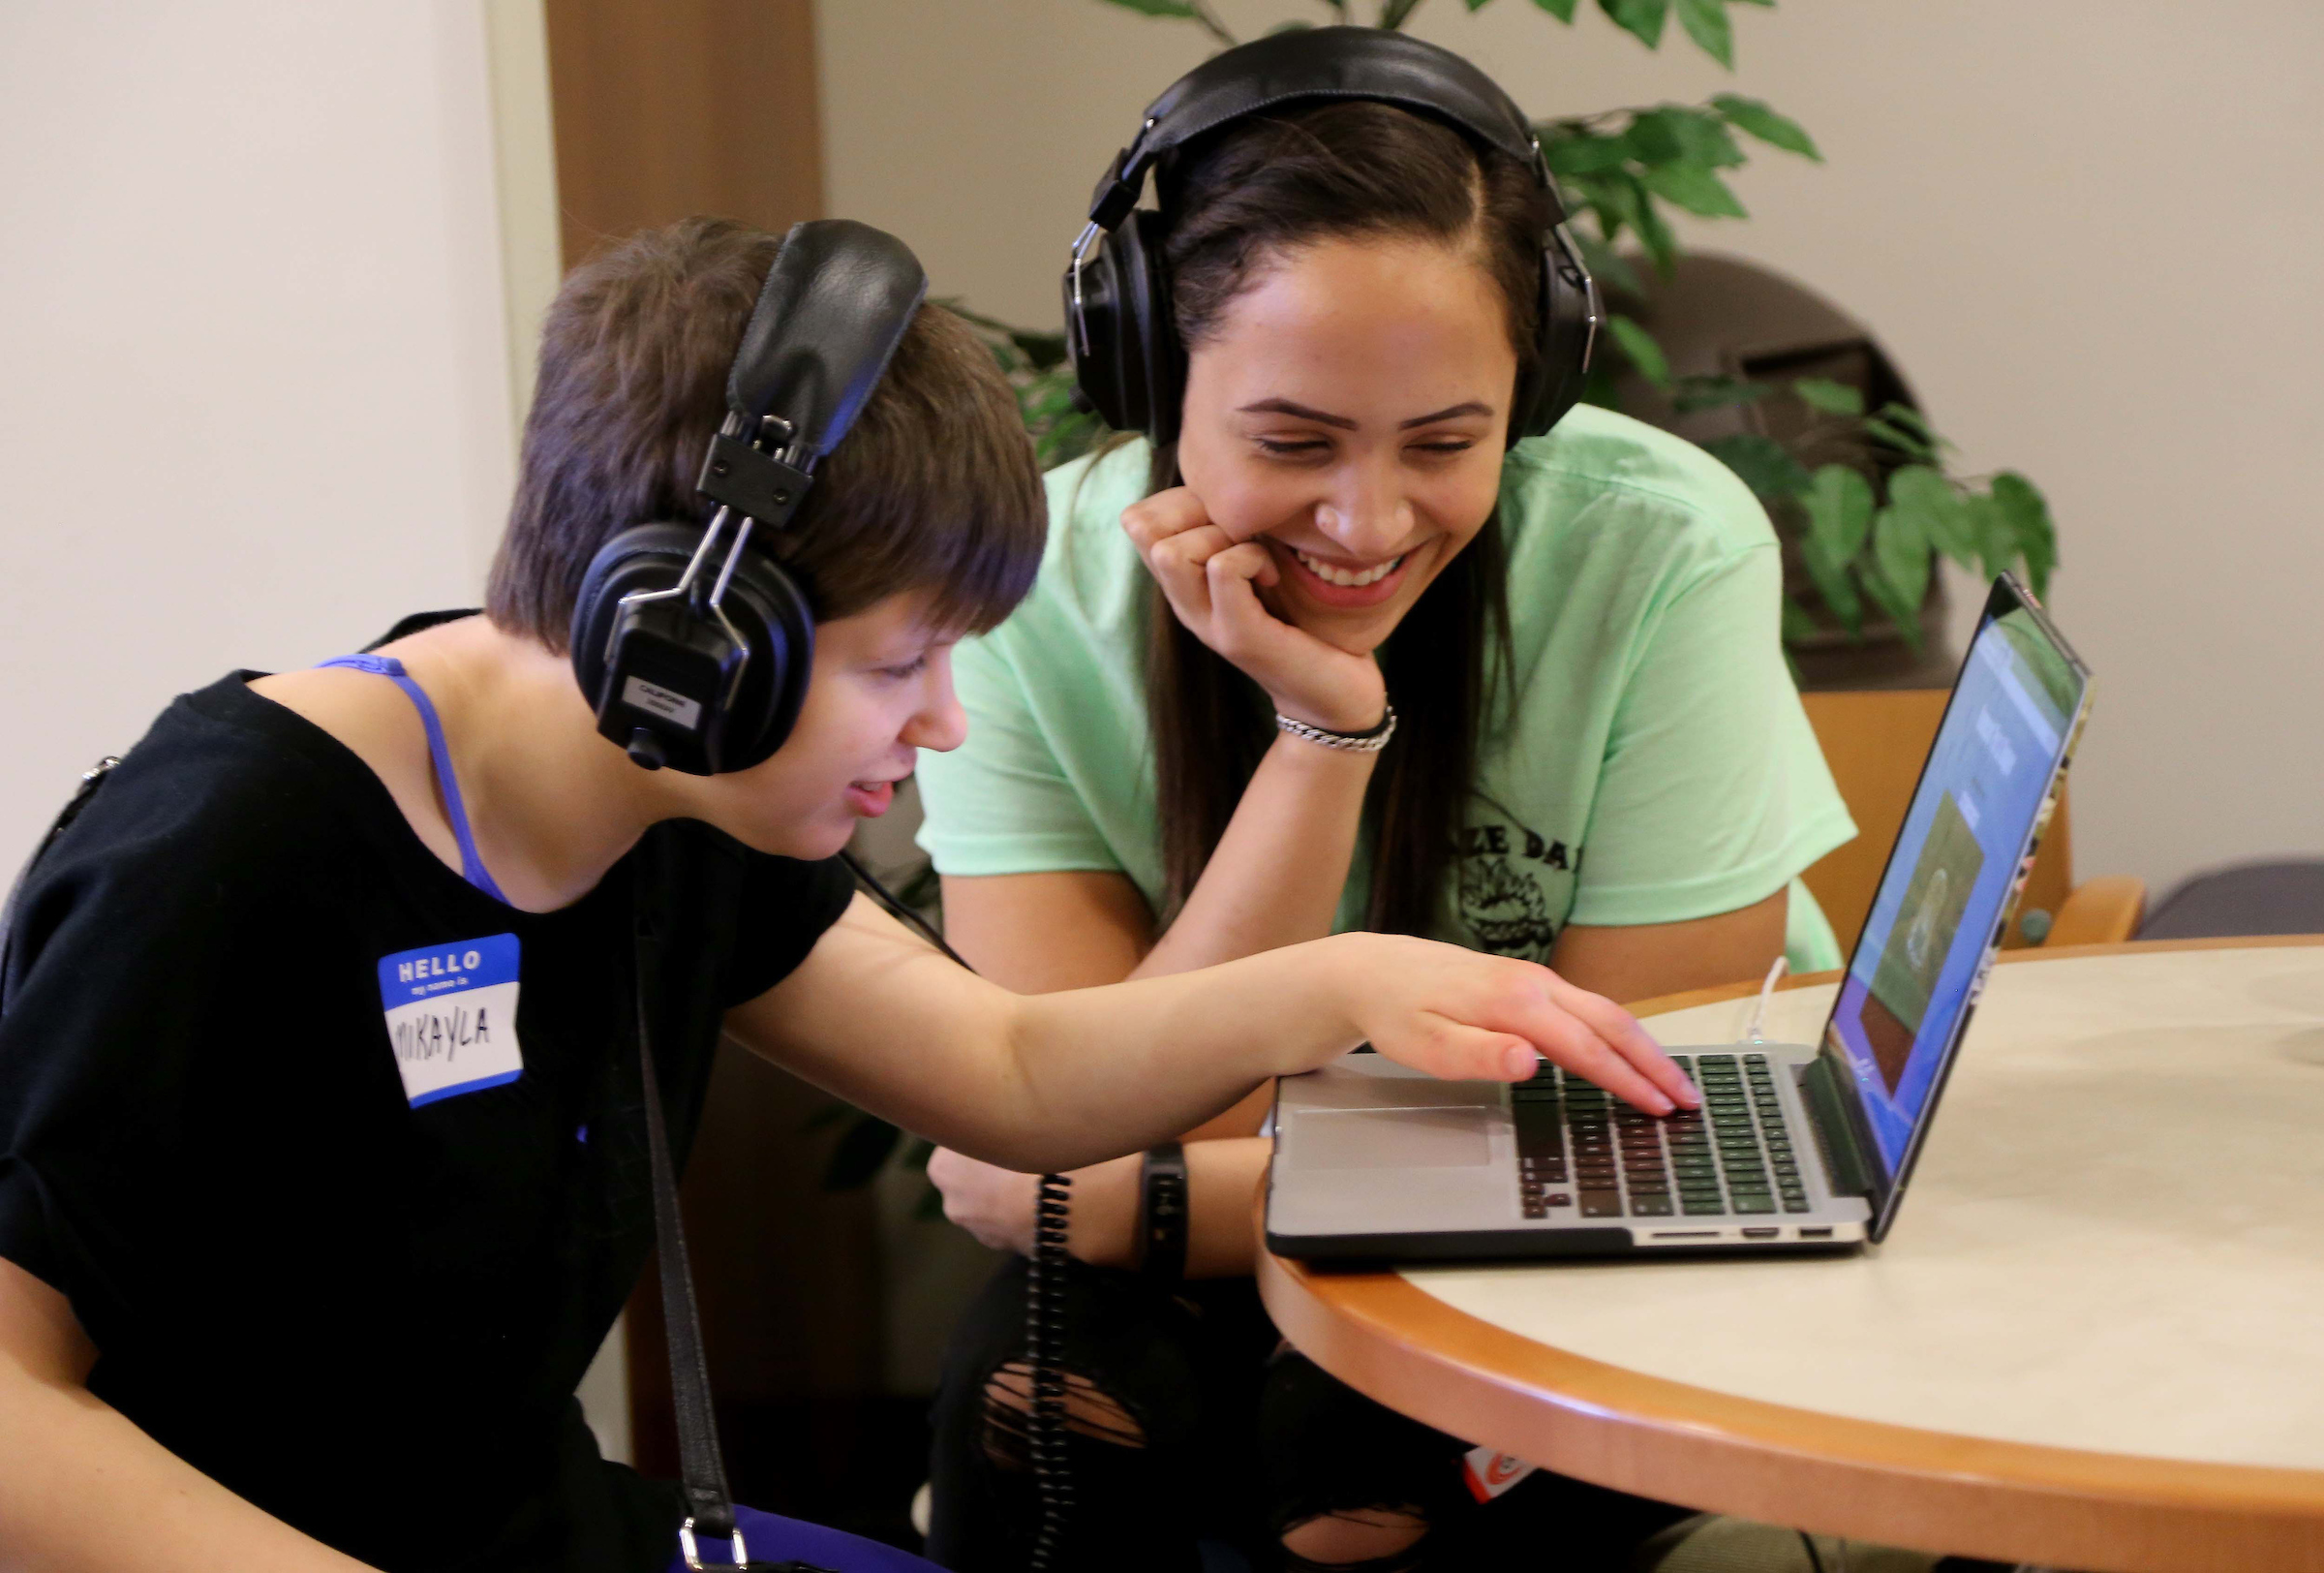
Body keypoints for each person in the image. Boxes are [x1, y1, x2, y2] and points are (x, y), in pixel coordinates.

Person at [0, 216, 1697, 1573]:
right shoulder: (228, 853)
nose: (944, 722)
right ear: (689, 637)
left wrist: (1349, 987)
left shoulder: (671, 797)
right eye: (905, 665)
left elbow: (1017, 1080)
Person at [914, 29, 1855, 1573]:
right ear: (1151, 375)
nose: (1367, 522)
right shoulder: (1022, 606)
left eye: (1447, 443)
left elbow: (1641, 1127)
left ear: (1531, 384)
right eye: (1290, 443)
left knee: (1357, 1478)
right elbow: (1091, 1100)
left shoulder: (1664, 552)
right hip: (1369, 1189)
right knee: (1034, 1412)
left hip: (1590, 1230)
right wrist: (1321, 737)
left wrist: (1145, 1208)